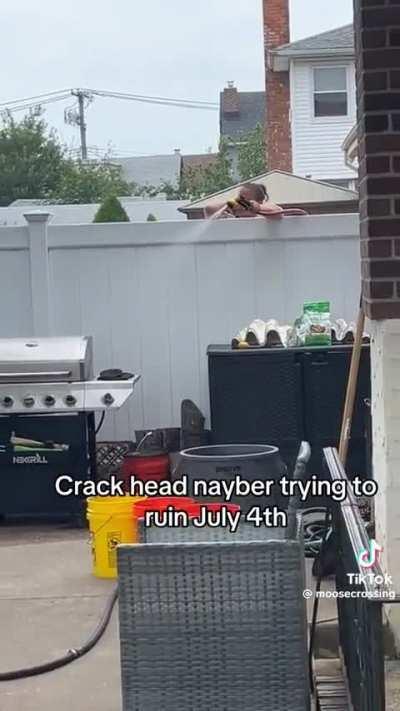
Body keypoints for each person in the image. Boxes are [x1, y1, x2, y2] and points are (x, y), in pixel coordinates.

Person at [204, 182, 307, 219]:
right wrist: (231, 203)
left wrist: (256, 208)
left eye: (246, 199)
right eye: (239, 198)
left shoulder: (264, 213)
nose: (241, 202)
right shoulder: (232, 215)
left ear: (260, 201)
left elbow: (277, 211)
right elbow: (208, 209)